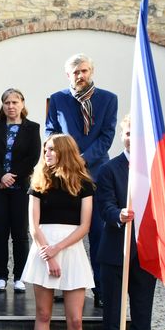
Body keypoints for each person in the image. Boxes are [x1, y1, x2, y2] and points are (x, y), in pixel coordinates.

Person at [21, 134, 94, 330]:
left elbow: (85, 226)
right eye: (46, 149)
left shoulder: (84, 183)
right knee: (44, 314)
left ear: (65, 151)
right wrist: (48, 254)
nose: (47, 153)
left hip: (71, 250)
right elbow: (33, 225)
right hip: (44, 250)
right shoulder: (39, 181)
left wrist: (59, 249)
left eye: (52, 149)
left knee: (76, 319)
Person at [45, 54, 117, 307]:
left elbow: (107, 136)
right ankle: (59, 283)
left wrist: (81, 160)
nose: (80, 76)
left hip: (96, 174)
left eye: (84, 71)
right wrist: (65, 159)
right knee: (62, 230)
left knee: (97, 232)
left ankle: (99, 289)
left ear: (91, 72)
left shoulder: (108, 99)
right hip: (64, 175)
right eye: (75, 72)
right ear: (68, 75)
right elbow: (51, 131)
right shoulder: (58, 99)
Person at [95, 116, 157, 330]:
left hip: (146, 254)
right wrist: (117, 214)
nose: (133, 138)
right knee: (114, 316)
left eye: (138, 134)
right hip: (115, 253)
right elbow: (104, 204)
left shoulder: (154, 170)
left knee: (142, 317)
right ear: (122, 135)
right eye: (129, 133)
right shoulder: (109, 169)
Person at [0, 88, 41, 294]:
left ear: (22, 104)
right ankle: (0, 276)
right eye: (7, 103)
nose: (11, 106)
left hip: (20, 188)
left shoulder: (32, 128)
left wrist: (11, 177)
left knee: (20, 234)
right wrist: (1, 176)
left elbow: (33, 157)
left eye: (15, 102)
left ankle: (19, 277)